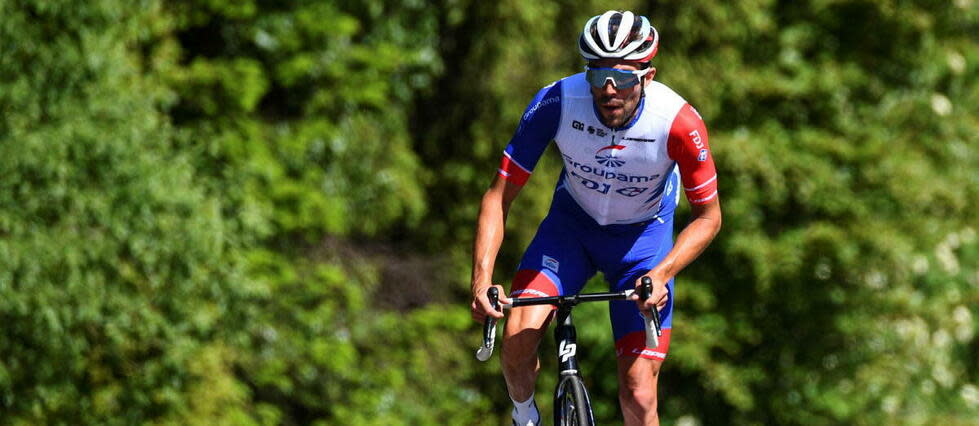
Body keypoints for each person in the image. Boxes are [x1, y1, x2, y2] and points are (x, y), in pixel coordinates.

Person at [470, 9, 722, 426]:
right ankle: (523, 417)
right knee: (516, 341)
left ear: (648, 75)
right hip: (571, 230)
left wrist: (662, 274)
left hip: (643, 243)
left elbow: (708, 218)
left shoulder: (678, 123)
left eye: (622, 79)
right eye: (597, 76)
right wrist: (481, 279)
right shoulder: (557, 101)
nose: (608, 91)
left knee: (639, 392)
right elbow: (498, 197)